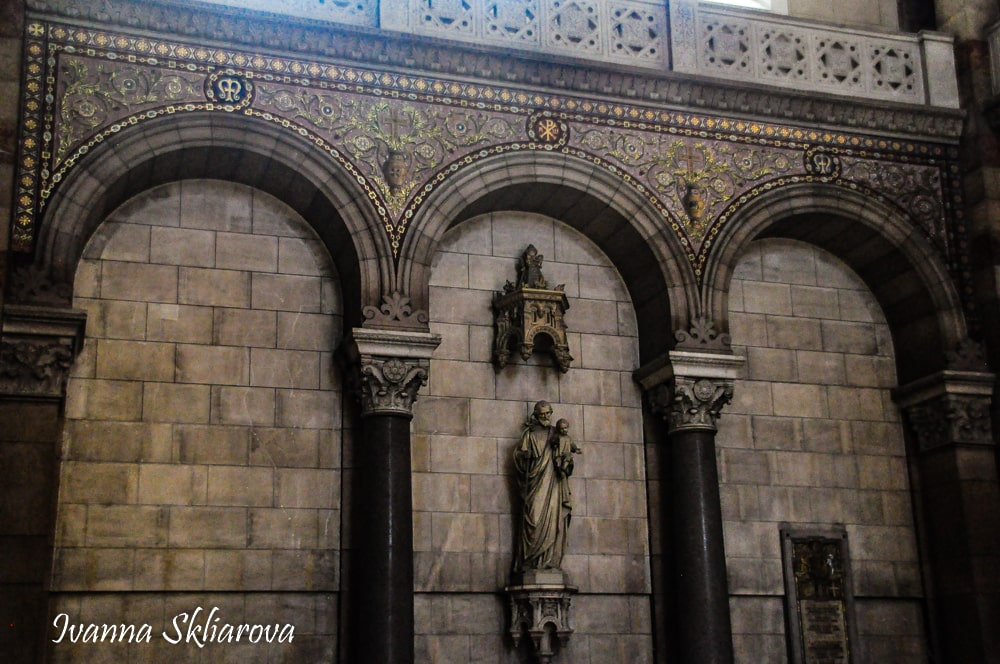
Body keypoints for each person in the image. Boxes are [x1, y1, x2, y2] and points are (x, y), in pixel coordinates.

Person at [513, 401, 577, 572]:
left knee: (554, 521)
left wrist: (567, 463)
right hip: (535, 483)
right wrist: (524, 456)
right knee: (533, 518)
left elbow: (567, 455)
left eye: (548, 413)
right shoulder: (529, 434)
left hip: (554, 485)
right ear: (536, 415)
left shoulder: (557, 434)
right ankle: (530, 562)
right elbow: (519, 457)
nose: (545, 416)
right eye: (542, 414)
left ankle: (549, 561)